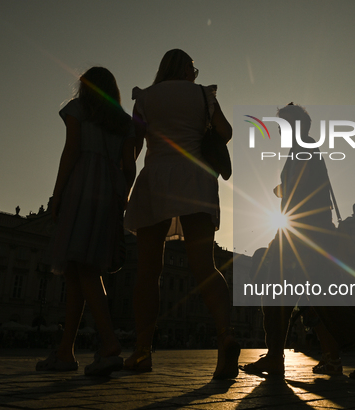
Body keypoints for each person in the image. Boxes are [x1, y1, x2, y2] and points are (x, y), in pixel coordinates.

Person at [242, 104, 355, 379]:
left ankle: (274, 357)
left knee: (274, 292)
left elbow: (298, 191)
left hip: (300, 233)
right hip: (313, 231)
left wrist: (284, 199)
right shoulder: (306, 149)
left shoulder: (303, 149)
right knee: (320, 297)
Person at [124, 49, 238, 379]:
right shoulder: (203, 94)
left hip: (156, 178)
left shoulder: (145, 98)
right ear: (187, 70)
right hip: (196, 180)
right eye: (193, 68)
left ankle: (143, 351)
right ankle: (225, 335)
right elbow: (226, 132)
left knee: (148, 269)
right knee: (204, 264)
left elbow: (135, 146)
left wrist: (123, 187)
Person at [36, 67, 137, 376]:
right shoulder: (124, 122)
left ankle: (108, 344)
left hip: (82, 184)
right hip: (110, 190)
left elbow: (72, 150)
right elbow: (130, 167)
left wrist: (57, 194)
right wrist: (122, 196)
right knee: (78, 272)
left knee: (83, 268)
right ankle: (65, 352)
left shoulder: (77, 109)